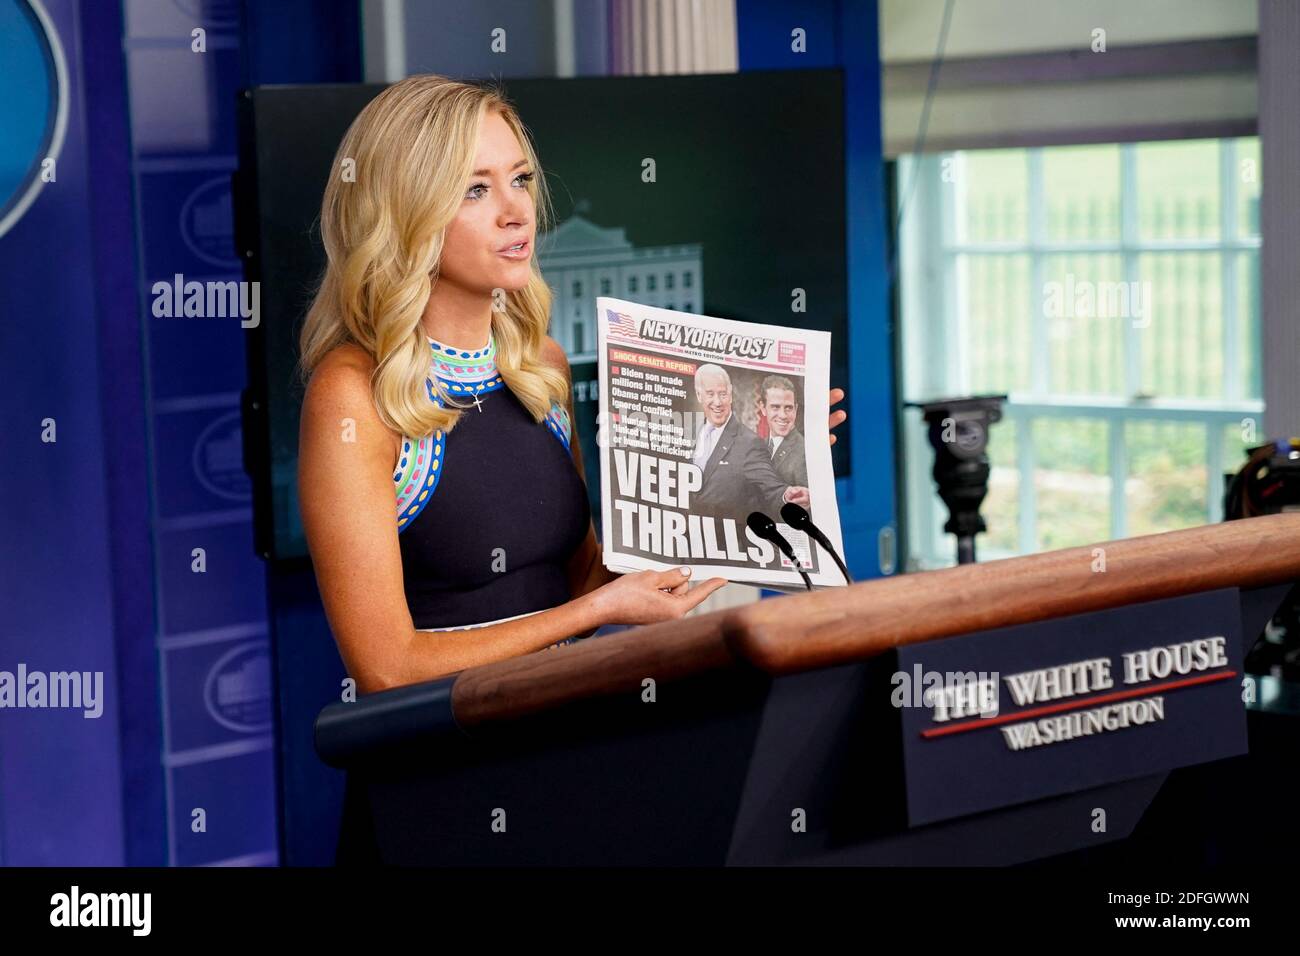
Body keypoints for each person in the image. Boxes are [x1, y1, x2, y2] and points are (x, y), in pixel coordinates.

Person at [296, 74, 846, 694]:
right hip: (442, 768)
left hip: (563, 734)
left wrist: (758, 475)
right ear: (404, 213)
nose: (516, 209)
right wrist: (593, 613)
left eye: (521, 178)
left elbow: (586, 581)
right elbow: (385, 667)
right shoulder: (352, 392)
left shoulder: (541, 365)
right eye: (475, 189)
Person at [690, 365, 807, 534]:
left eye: (723, 394)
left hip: (726, 543)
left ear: (730, 394)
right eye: (710, 394)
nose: (717, 402)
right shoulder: (689, 433)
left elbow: (770, 485)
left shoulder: (749, 442)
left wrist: (786, 494)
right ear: (699, 395)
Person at [757, 374, 808, 490]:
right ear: (763, 408)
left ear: (796, 409)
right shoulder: (760, 446)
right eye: (775, 407)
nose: (783, 415)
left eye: (788, 408)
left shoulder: (804, 451)